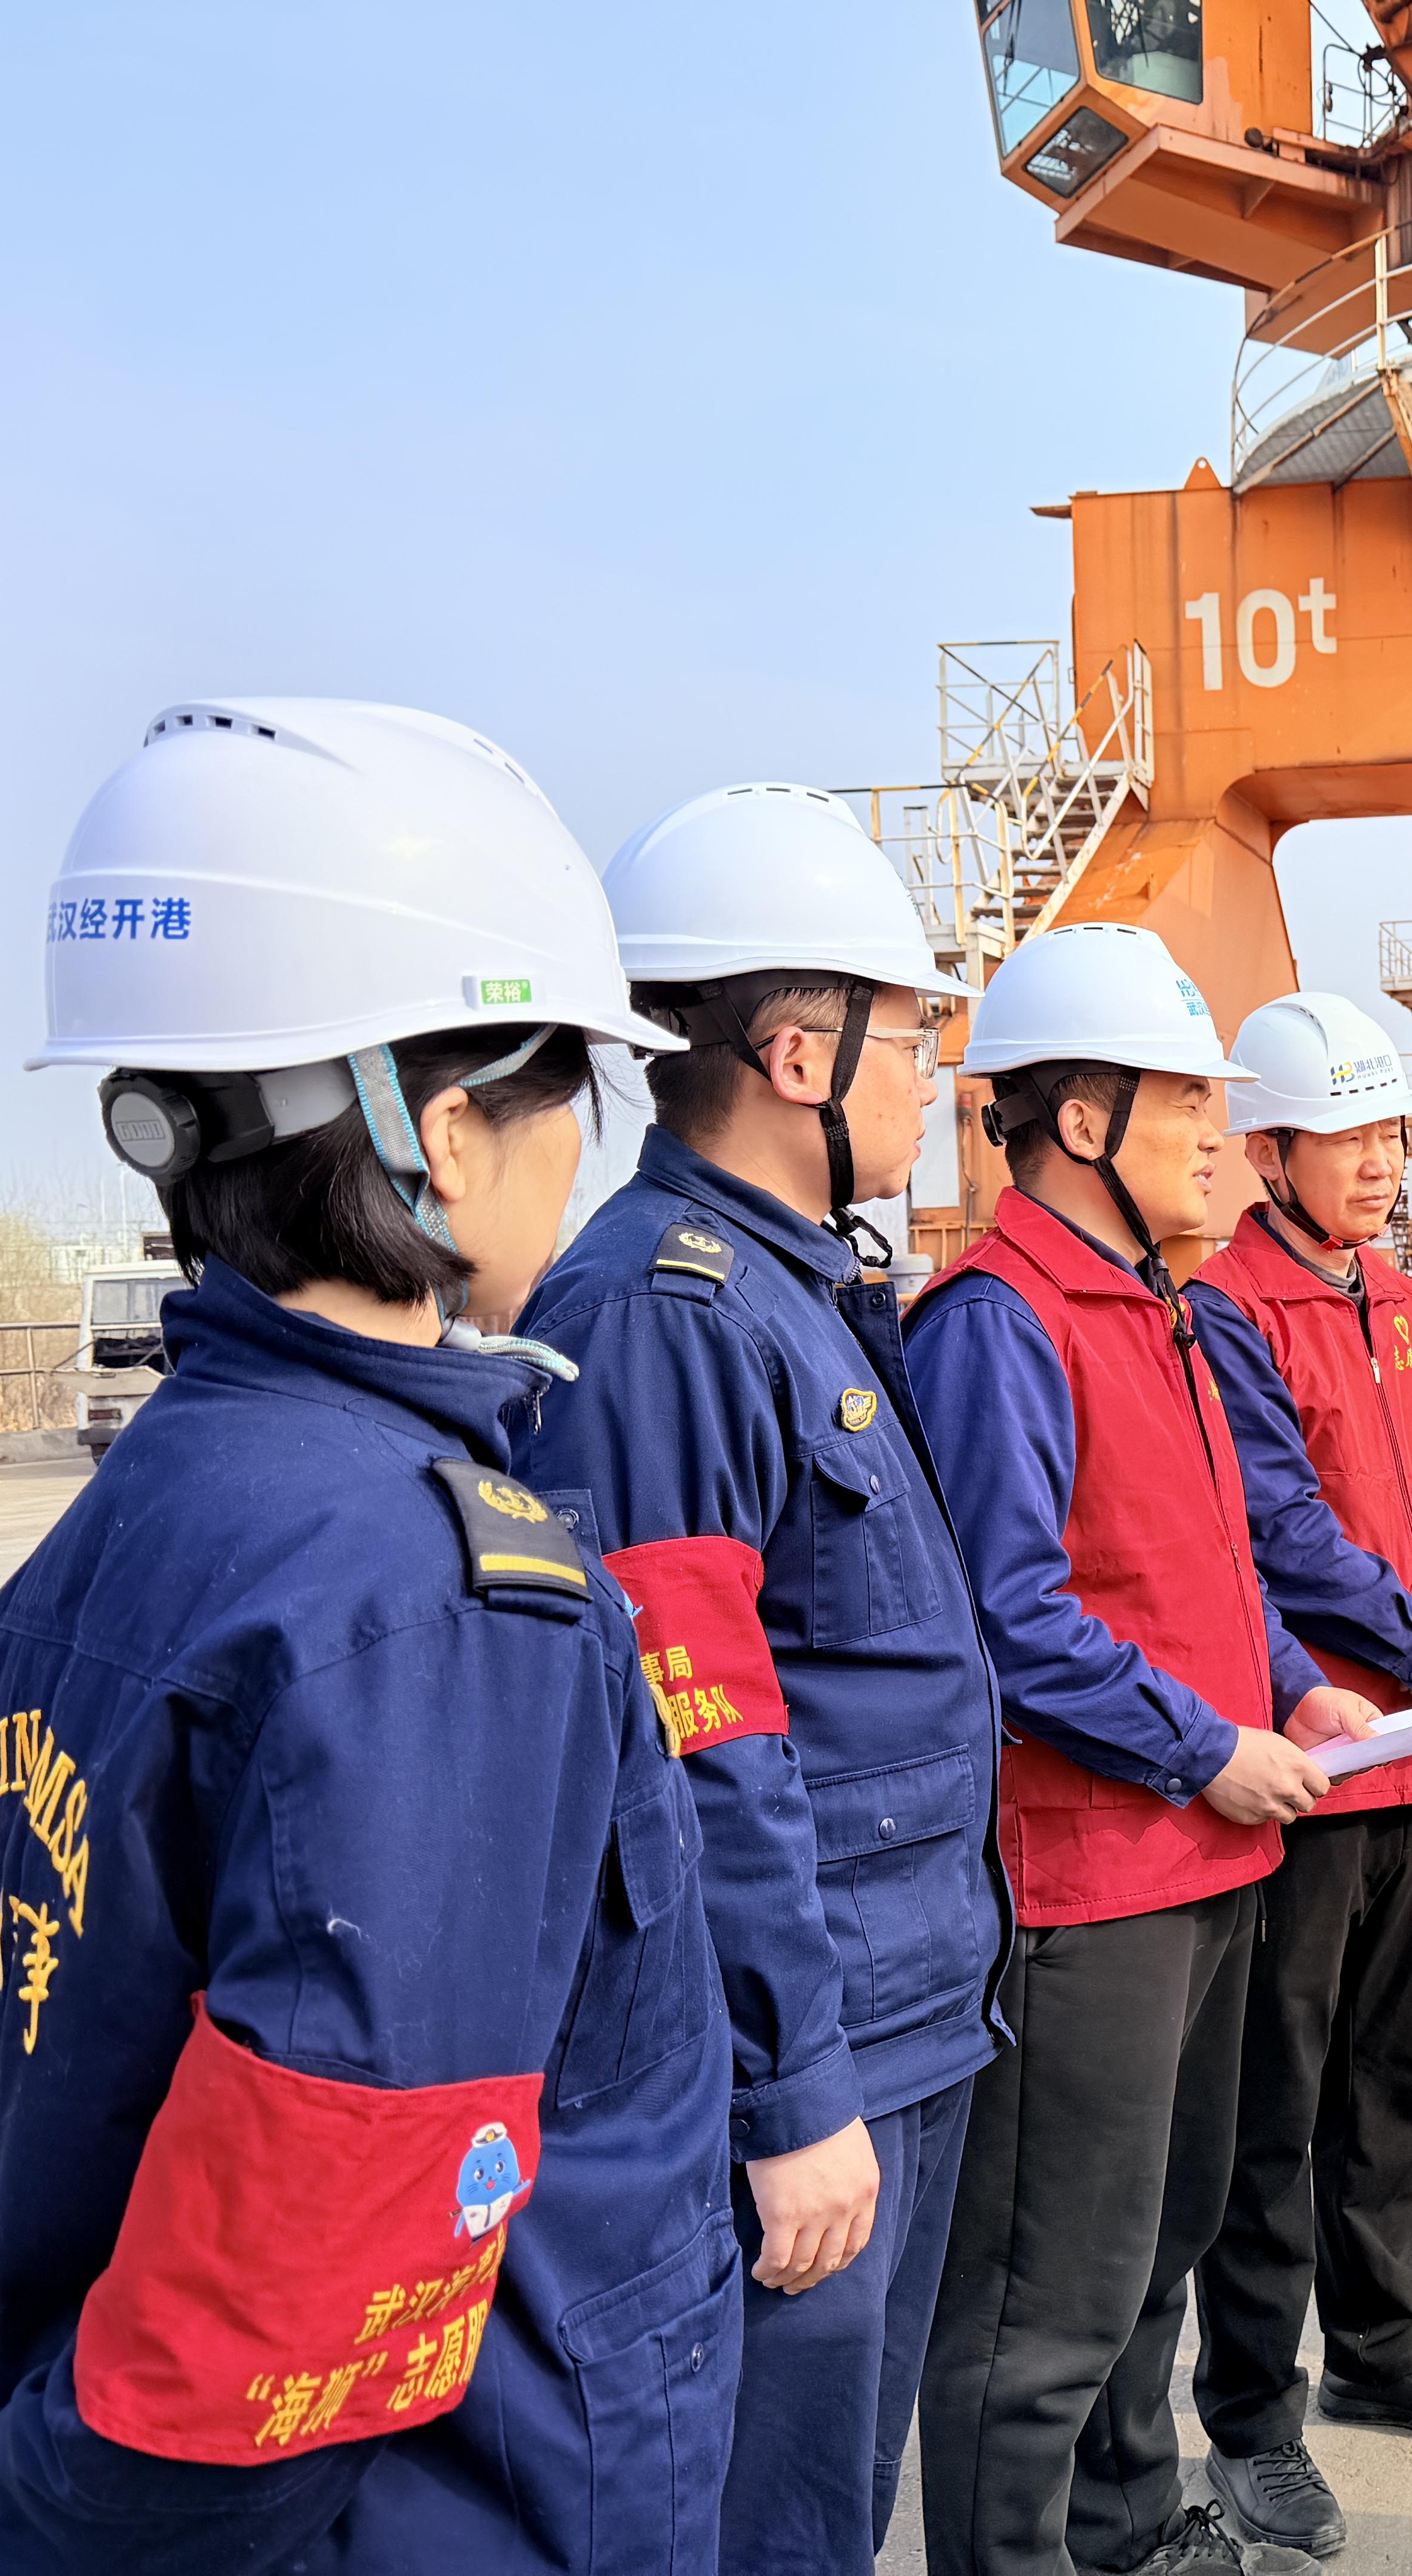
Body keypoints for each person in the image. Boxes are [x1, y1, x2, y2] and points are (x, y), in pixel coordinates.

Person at [0, 700, 736, 2574]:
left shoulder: (118, 1528)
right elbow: (299, 2295)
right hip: (438, 2517)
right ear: (447, 1132)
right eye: (571, 1090)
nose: (584, 1152)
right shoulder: (437, 1601)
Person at [512, 782, 1007, 2574]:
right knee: (773, 2527)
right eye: (913, 1039)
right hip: (811, 2051)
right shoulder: (669, 1315)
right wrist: (789, 2094)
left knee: (839, 2501)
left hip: (904, 2003)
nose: (934, 1082)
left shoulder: (793, 1291)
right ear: (801, 1056)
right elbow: (695, 1752)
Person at [905, 922, 1376, 2576]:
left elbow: (1202, 1565)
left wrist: (1292, 1687)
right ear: (1085, 1121)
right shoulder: (999, 1319)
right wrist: (1203, 1748)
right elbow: (1012, 1615)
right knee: (1041, 2304)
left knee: (1156, 2245)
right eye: (1188, 1100)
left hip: (1205, 1853)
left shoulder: (1158, 1303)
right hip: (1091, 1879)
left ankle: (1123, 2531)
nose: (1218, 1134)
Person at [1179, 992, 1412, 2560]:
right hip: (1315, 1763)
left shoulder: (1407, 1300)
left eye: (1393, 1134)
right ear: (1269, 1150)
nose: (1382, 1163)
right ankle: (1255, 2416)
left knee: (1393, 2083)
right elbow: (1281, 1532)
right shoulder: (1229, 1311)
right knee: (1278, 2103)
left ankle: (1383, 2346)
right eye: (1348, 1137)